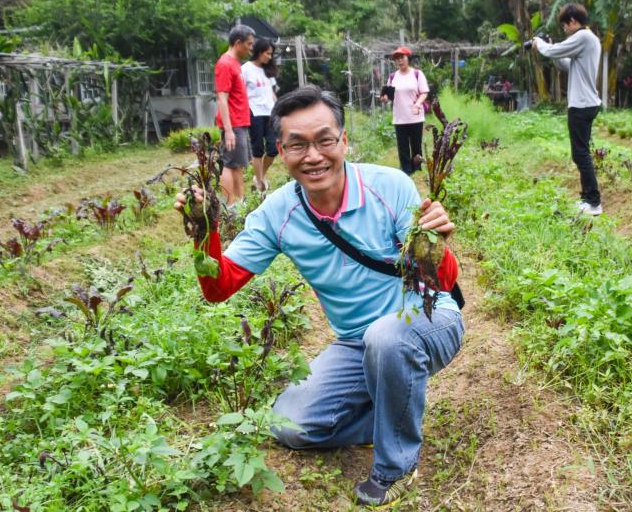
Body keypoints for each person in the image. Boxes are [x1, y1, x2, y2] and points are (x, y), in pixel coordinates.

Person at [174, 86, 464, 508]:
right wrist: (205, 229)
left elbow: (439, 282)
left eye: (325, 140)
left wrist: (437, 243)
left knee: (388, 337)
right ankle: (390, 413)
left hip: (428, 318)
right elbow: (219, 287)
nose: (313, 156)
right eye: (297, 144)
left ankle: (396, 467)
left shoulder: (390, 187)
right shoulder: (278, 212)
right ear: (280, 150)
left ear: (344, 141)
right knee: (290, 426)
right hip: (355, 343)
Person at [533, 3, 603, 216]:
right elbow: (564, 64)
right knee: (580, 153)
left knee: (580, 153)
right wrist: (552, 49)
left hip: (581, 104)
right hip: (585, 103)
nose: (564, 29)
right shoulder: (588, 40)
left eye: (564, 25)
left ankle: (593, 202)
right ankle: (587, 199)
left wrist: (540, 43)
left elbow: (552, 51)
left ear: (573, 21)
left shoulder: (583, 37)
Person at [215, 24, 255, 207]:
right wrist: (229, 130)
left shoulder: (235, 64)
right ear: (238, 43)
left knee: (238, 164)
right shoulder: (224, 64)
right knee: (229, 165)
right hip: (233, 125)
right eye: (249, 43)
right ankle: (229, 206)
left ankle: (240, 202)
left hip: (240, 123)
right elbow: (222, 98)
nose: (250, 48)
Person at [380, 46, 430, 175]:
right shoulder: (392, 77)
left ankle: (416, 168)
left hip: (415, 116)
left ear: (408, 58)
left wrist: (418, 104)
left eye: (402, 57)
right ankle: (406, 170)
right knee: (402, 147)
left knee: (416, 144)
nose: (399, 61)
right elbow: (389, 97)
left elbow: (424, 92)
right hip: (399, 117)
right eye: (397, 59)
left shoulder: (417, 74)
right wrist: (385, 99)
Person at [241, 37, 278, 193]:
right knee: (258, 150)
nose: (269, 57)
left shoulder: (268, 70)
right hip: (254, 112)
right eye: (267, 53)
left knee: (273, 148)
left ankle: (260, 175)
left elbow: (273, 93)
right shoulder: (246, 69)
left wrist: (278, 110)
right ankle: (260, 183)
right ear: (259, 51)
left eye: (271, 54)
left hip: (270, 113)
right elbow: (240, 93)